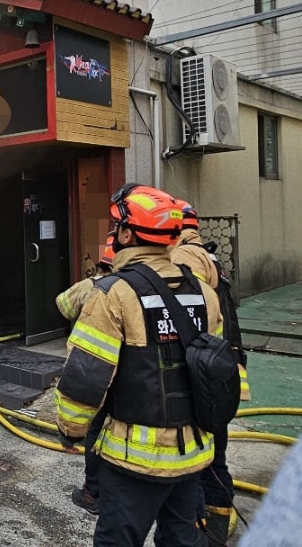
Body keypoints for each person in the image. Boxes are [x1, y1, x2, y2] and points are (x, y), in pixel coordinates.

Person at [55, 184, 223, 547]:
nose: (114, 234)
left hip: (134, 462)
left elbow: (85, 375)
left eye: (116, 227)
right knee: (181, 541)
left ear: (128, 234)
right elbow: (220, 373)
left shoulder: (114, 293)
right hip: (193, 456)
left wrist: (70, 430)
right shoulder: (205, 293)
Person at [171, 201, 249, 543]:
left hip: (207, 373)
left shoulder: (185, 258)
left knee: (209, 455)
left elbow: (190, 315)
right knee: (214, 447)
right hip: (222, 367)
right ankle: (215, 519)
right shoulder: (205, 254)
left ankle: (214, 526)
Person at [56, 234, 115, 515]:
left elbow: (62, 305)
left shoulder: (94, 286)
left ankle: (93, 493)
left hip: (96, 373)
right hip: (132, 382)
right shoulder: (147, 286)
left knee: (95, 432)